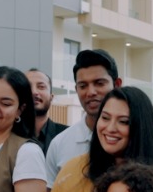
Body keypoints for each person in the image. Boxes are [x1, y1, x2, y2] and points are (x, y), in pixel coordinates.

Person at [45, 49, 123, 182]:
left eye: (99, 83)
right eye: (83, 86)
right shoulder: (59, 144)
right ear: (76, 89)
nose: (91, 92)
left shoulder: (137, 139)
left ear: (117, 85)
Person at [28, 68, 69, 151]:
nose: (34, 92)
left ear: (51, 97)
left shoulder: (67, 135)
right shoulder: (8, 135)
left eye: (41, 87)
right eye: (28, 87)